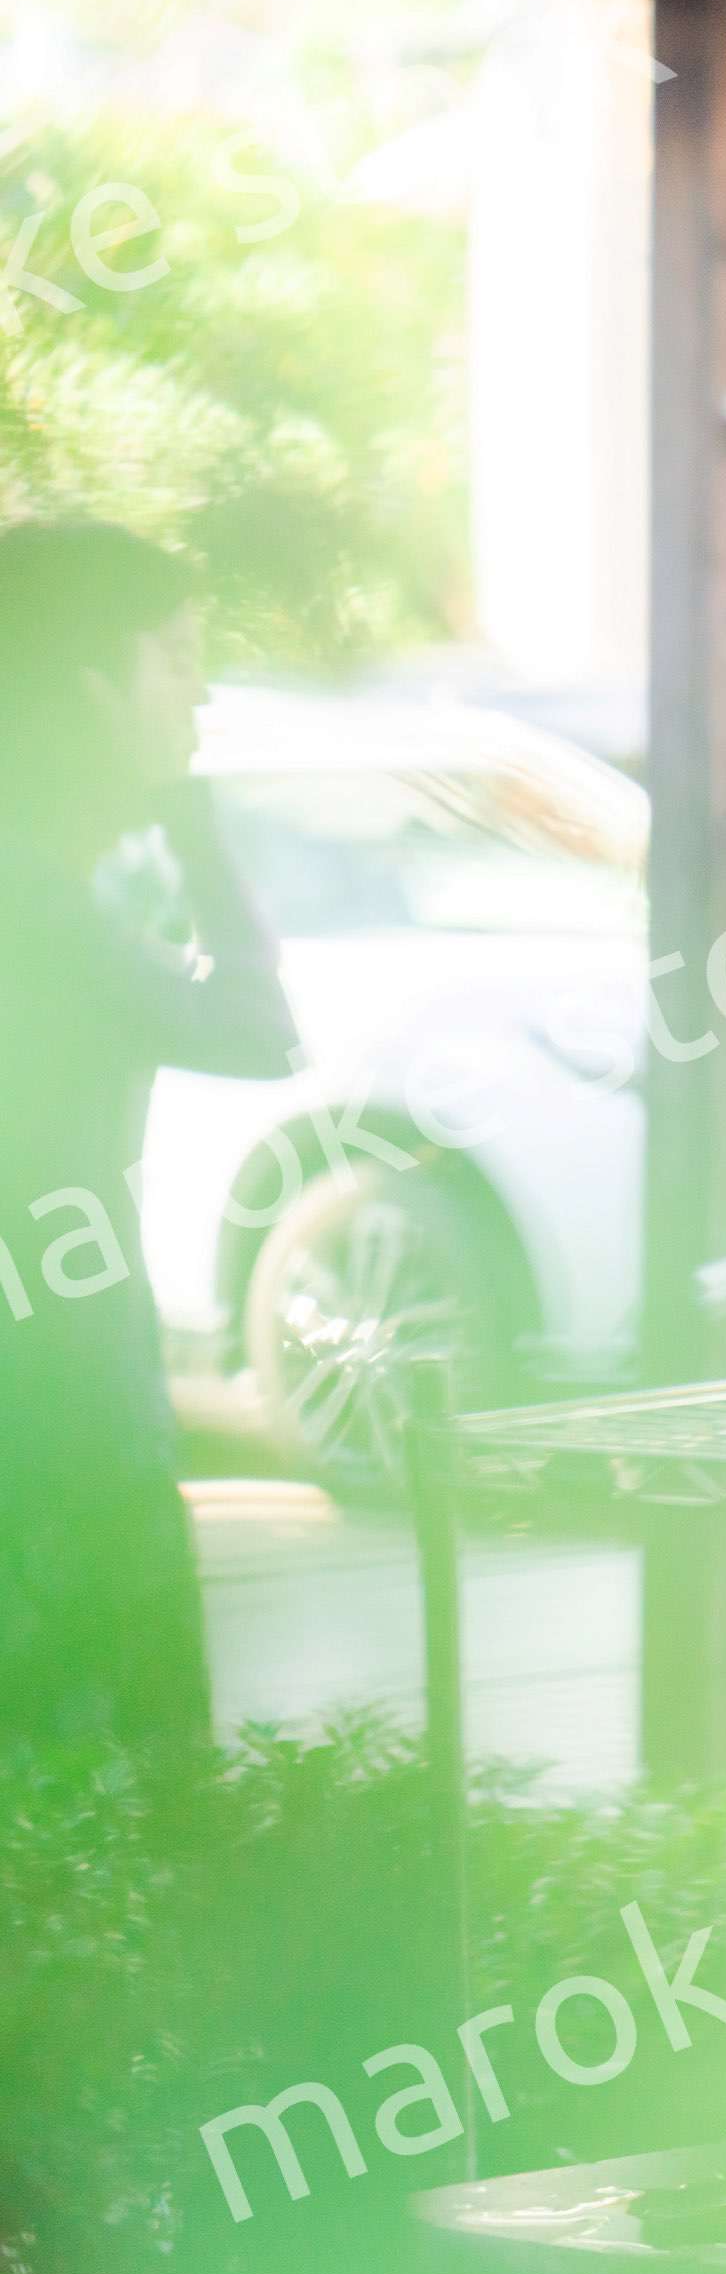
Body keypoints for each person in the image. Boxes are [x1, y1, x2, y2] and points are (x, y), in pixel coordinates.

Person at [0, 523, 297, 1752]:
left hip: (68, 1395)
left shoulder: (40, 880)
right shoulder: (33, 902)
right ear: (89, 688)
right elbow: (257, 1027)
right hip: (62, 1422)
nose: (201, 688)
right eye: (175, 657)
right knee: (121, 1780)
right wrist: (191, 817)